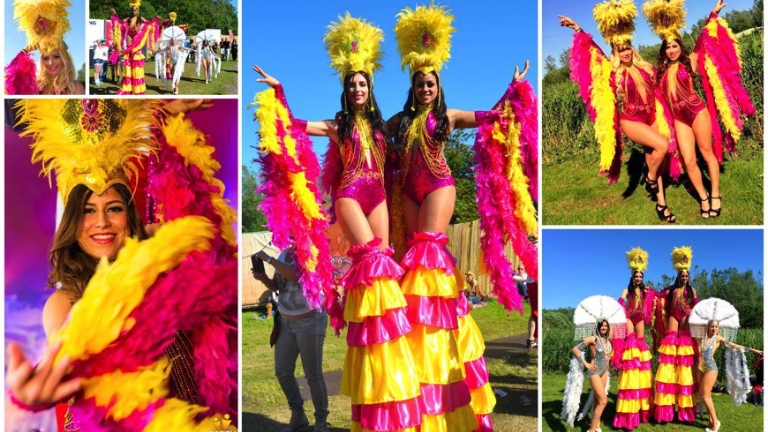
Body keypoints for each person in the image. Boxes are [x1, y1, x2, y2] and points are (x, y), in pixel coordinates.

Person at [5, 99, 237, 430]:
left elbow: (206, 230)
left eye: (113, 209)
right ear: (72, 223)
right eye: (87, 210)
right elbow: (67, 360)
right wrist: (33, 391)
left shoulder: (162, 263)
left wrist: (167, 123)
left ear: (128, 216)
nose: (102, 222)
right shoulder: (66, 302)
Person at [253, 13, 422, 432]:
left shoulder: (386, 125)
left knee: (387, 271)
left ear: (371, 88)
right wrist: (280, 92)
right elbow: (294, 126)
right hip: (350, 194)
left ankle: (390, 355)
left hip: (378, 196)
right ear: (346, 91)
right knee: (372, 266)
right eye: (352, 85)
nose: (359, 89)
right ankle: (367, 347)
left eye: (363, 84)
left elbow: (425, 111)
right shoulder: (337, 125)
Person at [389, 4, 537, 429]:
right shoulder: (399, 121)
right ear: (412, 86)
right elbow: (368, 134)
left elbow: (491, 117)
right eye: (419, 83)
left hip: (438, 186)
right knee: (411, 265)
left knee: (429, 257)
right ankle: (417, 342)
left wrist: (512, 89)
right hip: (408, 193)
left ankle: (445, 338)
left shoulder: (447, 117)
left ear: (438, 85)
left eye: (431, 83)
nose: (425, 89)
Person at [559, 0, 677, 223]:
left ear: (632, 47)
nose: (624, 52)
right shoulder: (613, 72)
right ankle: (650, 180)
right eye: (620, 49)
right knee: (661, 146)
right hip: (631, 119)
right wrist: (577, 29)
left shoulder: (646, 67)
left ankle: (662, 205)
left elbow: (667, 66)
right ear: (615, 50)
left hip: (652, 115)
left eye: (627, 48)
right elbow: (593, 52)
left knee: (656, 157)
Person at [646, 0, 755, 218]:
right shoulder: (660, 71)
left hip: (697, 112)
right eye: (667, 46)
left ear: (680, 46)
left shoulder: (691, 60)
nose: (671, 49)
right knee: (688, 160)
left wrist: (713, 14)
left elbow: (704, 37)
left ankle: (715, 193)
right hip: (679, 119)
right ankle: (703, 197)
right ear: (663, 50)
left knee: (706, 153)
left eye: (674, 45)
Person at [252, 246, 329, 432]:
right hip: (286, 321)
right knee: (282, 371)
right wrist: (264, 279)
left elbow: (297, 275)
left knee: (313, 374)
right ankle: (298, 415)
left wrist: (269, 259)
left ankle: (320, 421)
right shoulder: (284, 253)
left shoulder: (313, 249)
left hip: (310, 319)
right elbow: (279, 285)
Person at [653, 246, 699, 423]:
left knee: (685, 358)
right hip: (673, 315)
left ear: (688, 277)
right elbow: (658, 294)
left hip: (685, 317)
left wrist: (694, 299)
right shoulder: (671, 289)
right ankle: (666, 410)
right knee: (670, 350)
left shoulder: (691, 290)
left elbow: (697, 306)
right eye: (682, 275)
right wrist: (649, 290)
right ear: (678, 275)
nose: (684, 277)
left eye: (686, 275)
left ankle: (686, 412)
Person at [692, 319, 762, 432]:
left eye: (716, 327)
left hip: (710, 368)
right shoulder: (701, 339)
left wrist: (754, 350)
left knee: (705, 396)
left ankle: (715, 422)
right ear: (708, 327)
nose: (714, 329)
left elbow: (735, 346)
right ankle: (710, 421)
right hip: (699, 368)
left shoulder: (718, 339)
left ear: (718, 329)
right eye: (712, 326)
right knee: (703, 395)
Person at [613, 247, 656, 429]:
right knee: (631, 345)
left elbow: (654, 302)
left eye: (640, 276)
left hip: (640, 319)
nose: (638, 278)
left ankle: (642, 400)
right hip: (630, 316)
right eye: (636, 276)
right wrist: (622, 302)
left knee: (641, 346)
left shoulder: (646, 291)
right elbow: (619, 303)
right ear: (632, 276)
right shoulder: (627, 290)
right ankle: (630, 403)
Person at [5, 0, 85, 95]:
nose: (50, 63)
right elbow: (11, 78)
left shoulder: (75, 88)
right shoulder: (36, 86)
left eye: (56, 57)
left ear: (65, 58)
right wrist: (25, 50)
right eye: (46, 58)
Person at [111, 1, 160, 94]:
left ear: (138, 10)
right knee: (129, 52)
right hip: (129, 34)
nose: (134, 11)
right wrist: (115, 15)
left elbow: (148, 22)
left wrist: (155, 19)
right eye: (133, 10)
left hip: (136, 36)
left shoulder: (140, 18)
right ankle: (128, 84)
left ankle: (136, 84)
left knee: (135, 52)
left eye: (136, 9)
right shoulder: (129, 18)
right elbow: (120, 22)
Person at [572, 320, 613, 432]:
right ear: (598, 326)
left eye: (606, 326)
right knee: (603, 401)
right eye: (602, 325)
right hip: (594, 372)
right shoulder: (593, 339)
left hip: (604, 372)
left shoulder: (607, 340)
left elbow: (607, 356)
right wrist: (586, 364)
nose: (604, 327)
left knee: (597, 400)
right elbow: (575, 349)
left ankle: (598, 426)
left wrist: (607, 365)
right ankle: (591, 430)